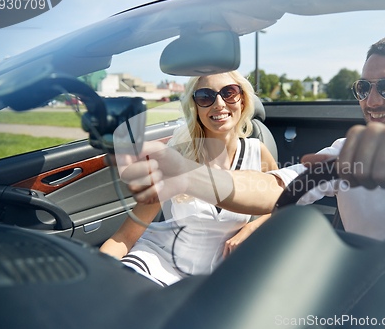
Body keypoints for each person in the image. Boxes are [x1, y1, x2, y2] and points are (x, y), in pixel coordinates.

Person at [121, 32, 385, 260]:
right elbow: (275, 187)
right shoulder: (343, 155)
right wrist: (188, 176)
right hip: (364, 294)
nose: (372, 101)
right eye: (363, 88)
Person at [100, 70, 278, 286]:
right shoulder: (175, 159)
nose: (219, 104)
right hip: (158, 264)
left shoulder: (257, 152)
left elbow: (282, 203)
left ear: (243, 100)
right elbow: (124, 237)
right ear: (195, 108)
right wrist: (95, 275)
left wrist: (251, 227)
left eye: (229, 93)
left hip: (216, 279)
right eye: (205, 96)